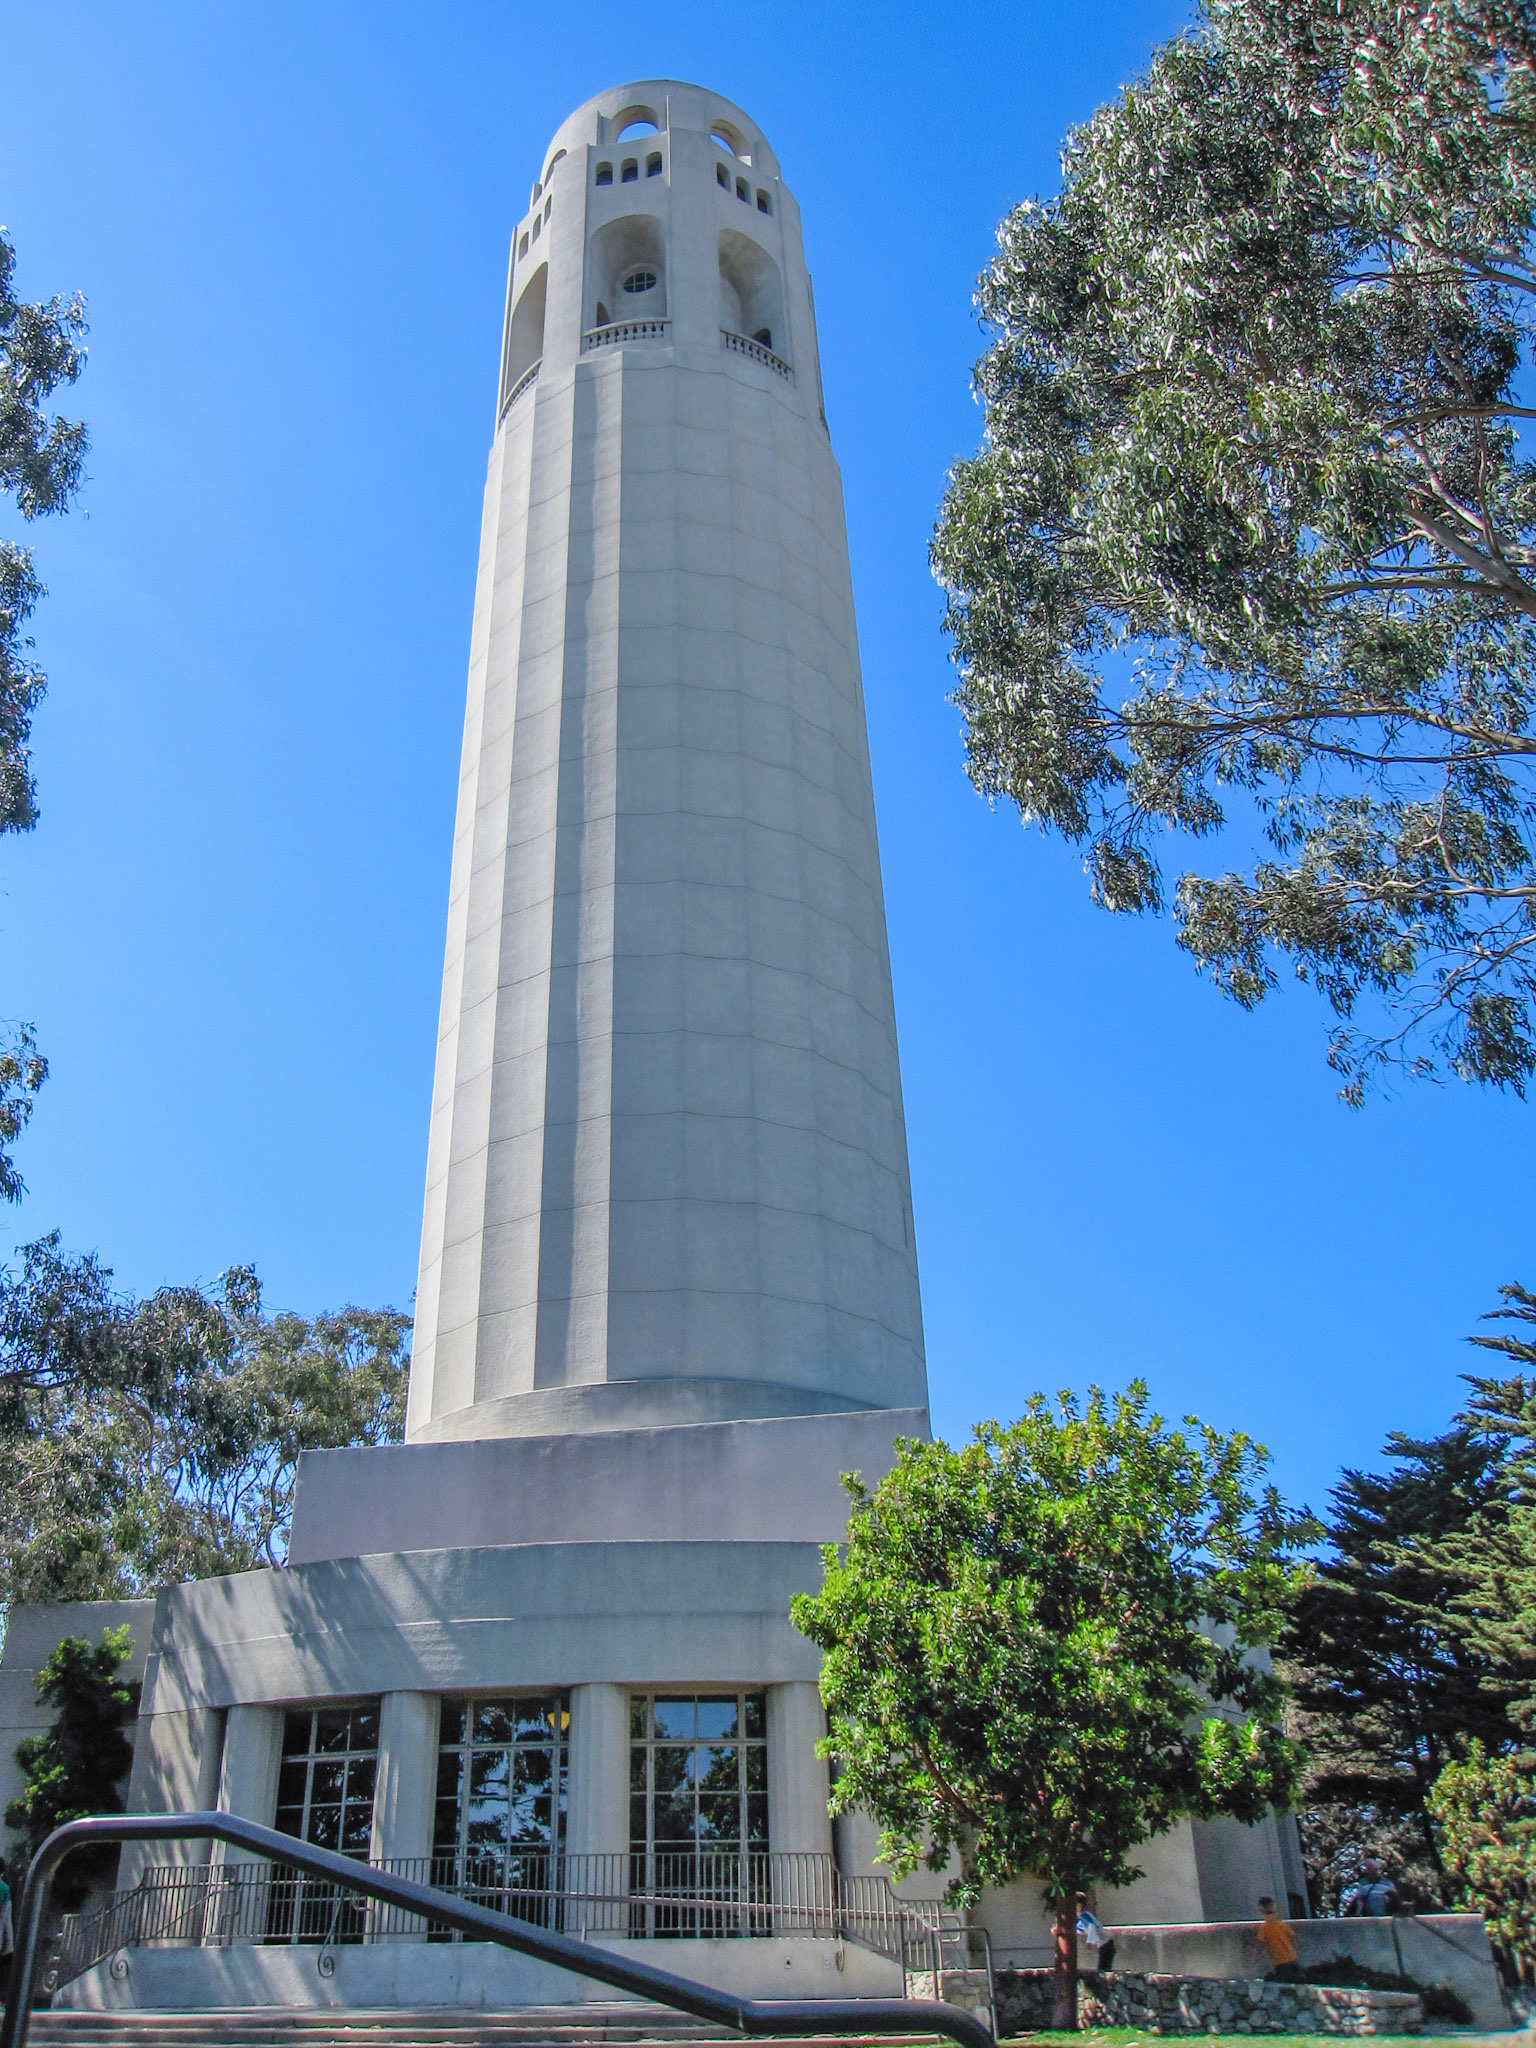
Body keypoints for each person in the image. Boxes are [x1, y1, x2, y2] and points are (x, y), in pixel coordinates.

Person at [1254, 1895, 1302, 1983]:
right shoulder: (1282, 1924)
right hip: (1292, 1957)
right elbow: (1293, 1938)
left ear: (1262, 1910)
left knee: (1281, 1984)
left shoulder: (1264, 1928)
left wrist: (1257, 1957)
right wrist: (1295, 1951)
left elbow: (1260, 1944)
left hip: (1279, 1961)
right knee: (1300, 1980)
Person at [1076, 1893, 1116, 1974]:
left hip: (1106, 1943)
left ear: (1079, 1905)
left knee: (1103, 1970)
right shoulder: (1081, 1917)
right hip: (1104, 1944)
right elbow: (1080, 1928)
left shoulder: (1084, 1916)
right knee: (1103, 1968)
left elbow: (1092, 1927)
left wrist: (1090, 1942)